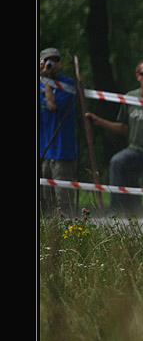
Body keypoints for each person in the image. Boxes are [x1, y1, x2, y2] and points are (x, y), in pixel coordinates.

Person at [85, 59, 143, 216]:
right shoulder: (130, 97)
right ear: (138, 76)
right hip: (135, 150)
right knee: (117, 162)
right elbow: (124, 128)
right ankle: (115, 213)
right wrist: (99, 121)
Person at [39, 47, 78, 216]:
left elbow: (52, 106)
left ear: (60, 63)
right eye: (47, 60)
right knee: (47, 200)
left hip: (63, 151)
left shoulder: (67, 84)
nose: (51, 64)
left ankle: (68, 234)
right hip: (43, 149)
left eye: (55, 60)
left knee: (64, 202)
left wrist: (47, 80)